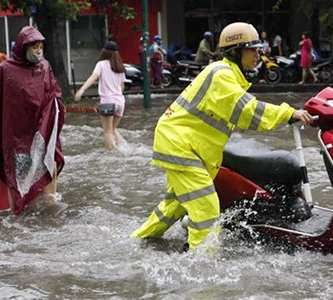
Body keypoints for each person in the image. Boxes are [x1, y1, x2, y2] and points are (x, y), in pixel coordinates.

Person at [130, 22, 313, 250]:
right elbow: (248, 112)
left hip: (183, 144)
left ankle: (140, 240)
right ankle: (200, 264)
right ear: (235, 51)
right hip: (180, 145)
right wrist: (289, 113)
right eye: (252, 49)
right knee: (206, 208)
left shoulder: (228, 75)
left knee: (175, 204)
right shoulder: (222, 76)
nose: (258, 54)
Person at [0, 26, 66, 215]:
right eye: (34, 47)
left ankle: (50, 229)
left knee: (49, 190)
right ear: (23, 47)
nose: (39, 51)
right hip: (16, 141)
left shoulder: (45, 67)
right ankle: (19, 230)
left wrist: (54, 109)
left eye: (41, 47)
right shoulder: (5, 70)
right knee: (18, 192)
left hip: (43, 135)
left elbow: (54, 94)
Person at [74, 41, 127, 151]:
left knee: (107, 131)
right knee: (113, 128)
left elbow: (92, 78)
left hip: (107, 102)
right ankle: (125, 148)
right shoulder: (120, 67)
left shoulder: (101, 64)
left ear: (104, 51)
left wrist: (81, 90)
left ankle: (113, 153)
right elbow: (122, 87)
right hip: (120, 102)